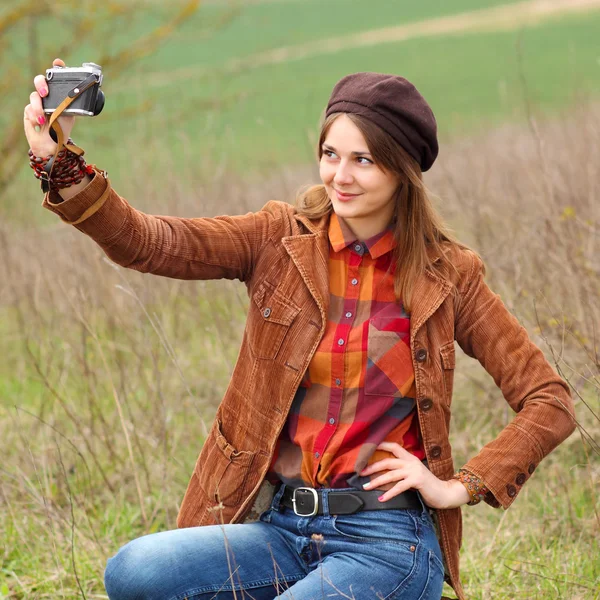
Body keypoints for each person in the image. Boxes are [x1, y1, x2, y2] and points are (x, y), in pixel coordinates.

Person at [24, 59, 576, 600]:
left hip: (385, 544)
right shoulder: (277, 240)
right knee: (134, 570)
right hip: (281, 528)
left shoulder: (449, 275)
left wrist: (460, 486)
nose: (341, 175)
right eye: (331, 153)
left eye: (364, 160)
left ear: (402, 169)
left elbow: (548, 401)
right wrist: (60, 162)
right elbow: (150, 242)